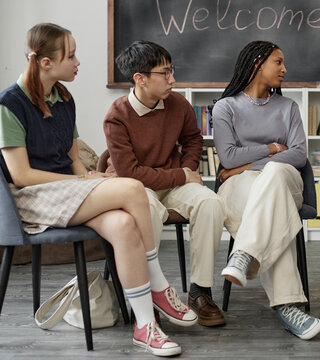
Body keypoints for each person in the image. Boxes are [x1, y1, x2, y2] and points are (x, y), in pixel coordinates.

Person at [0, 23, 195, 357]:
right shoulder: (10, 104)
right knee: (133, 188)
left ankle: (145, 327)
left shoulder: (64, 98)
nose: (78, 62)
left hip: (69, 192)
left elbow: (73, 158)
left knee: (124, 225)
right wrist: (81, 182)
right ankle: (160, 287)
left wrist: (85, 177)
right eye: (71, 55)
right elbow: (21, 176)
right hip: (34, 198)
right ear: (46, 62)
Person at [104, 41, 227, 327]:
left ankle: (200, 291)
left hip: (171, 183)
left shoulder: (178, 103)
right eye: (165, 73)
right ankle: (145, 299)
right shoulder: (116, 115)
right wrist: (182, 175)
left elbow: (194, 140)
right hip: (133, 188)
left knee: (210, 202)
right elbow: (131, 174)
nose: (173, 79)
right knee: (145, 208)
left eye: (172, 71)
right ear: (140, 79)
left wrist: (187, 168)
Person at [211, 40, 320, 340]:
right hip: (240, 190)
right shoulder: (225, 107)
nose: (285, 69)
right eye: (279, 62)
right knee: (276, 212)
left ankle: (244, 253)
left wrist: (245, 165)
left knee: (273, 174)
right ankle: (288, 307)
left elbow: (298, 155)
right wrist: (271, 148)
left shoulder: (288, 107)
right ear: (258, 64)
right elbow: (227, 157)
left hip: (285, 180)